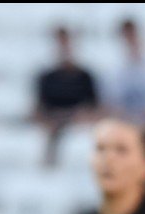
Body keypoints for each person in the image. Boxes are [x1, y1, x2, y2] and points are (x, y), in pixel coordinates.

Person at [33, 26, 100, 166]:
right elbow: (38, 110)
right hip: (54, 123)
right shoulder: (47, 78)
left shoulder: (85, 77)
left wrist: (80, 117)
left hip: (79, 123)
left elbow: (95, 108)